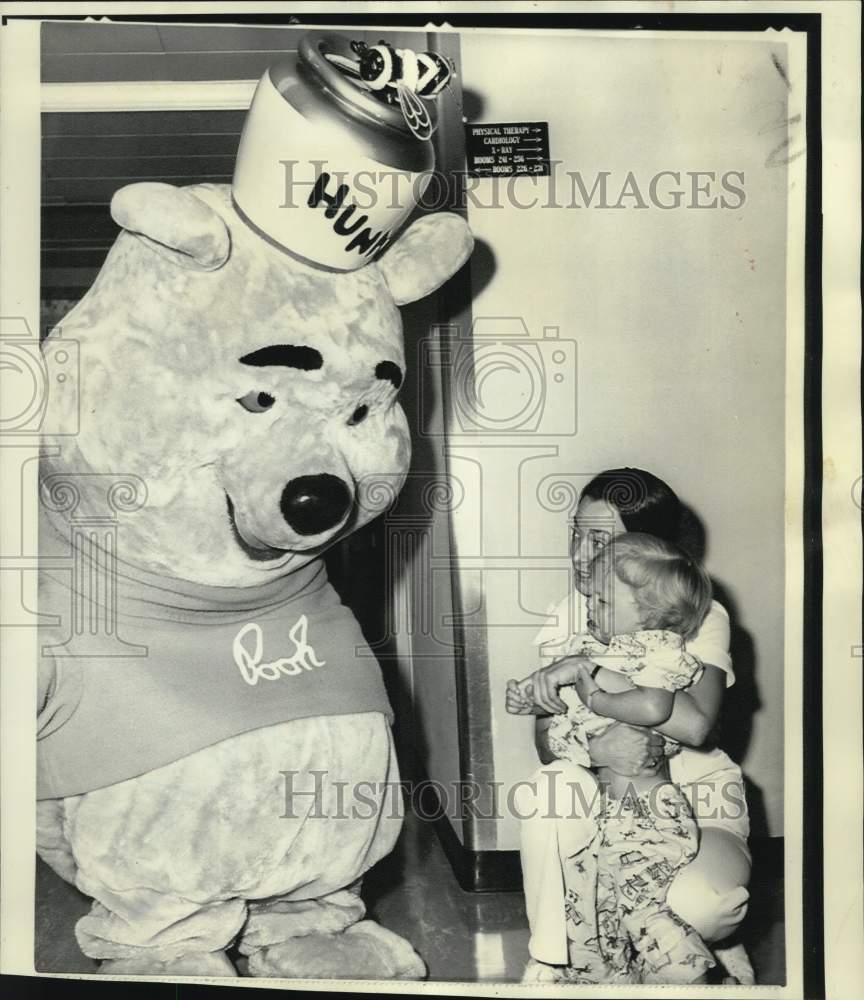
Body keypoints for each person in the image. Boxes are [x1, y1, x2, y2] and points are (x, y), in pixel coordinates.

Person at [509, 468, 752, 982]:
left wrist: (589, 672)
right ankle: (552, 962)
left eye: (599, 541)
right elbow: (546, 741)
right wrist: (598, 751)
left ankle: (713, 956)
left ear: (647, 547)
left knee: (695, 906)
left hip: (695, 799)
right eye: (575, 534)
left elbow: (694, 728)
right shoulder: (571, 613)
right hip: (607, 792)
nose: (579, 555)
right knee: (550, 788)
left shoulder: (699, 615)